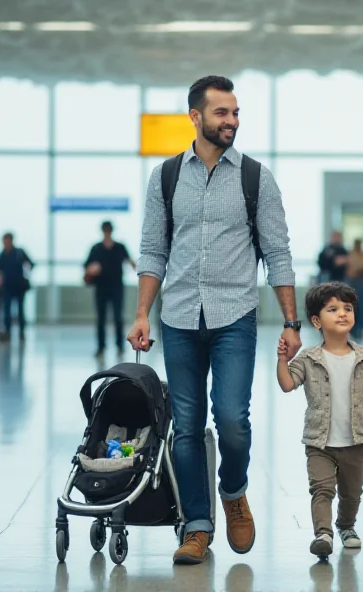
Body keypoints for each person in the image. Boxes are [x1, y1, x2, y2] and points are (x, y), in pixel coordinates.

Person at [127, 75, 300, 565]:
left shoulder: (255, 177)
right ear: (196, 117)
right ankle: (197, 526)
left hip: (234, 317)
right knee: (186, 426)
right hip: (179, 315)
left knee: (232, 422)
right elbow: (153, 250)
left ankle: (234, 490)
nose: (232, 121)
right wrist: (142, 312)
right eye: (222, 112)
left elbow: (277, 251)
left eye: (236, 112)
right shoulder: (165, 177)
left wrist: (291, 321)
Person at [276, 282, 363, 557]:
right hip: (319, 442)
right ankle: (323, 534)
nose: (342, 314)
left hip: (355, 441)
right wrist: (283, 359)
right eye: (333, 309)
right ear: (317, 321)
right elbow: (286, 384)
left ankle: (345, 526)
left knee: (351, 493)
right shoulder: (308, 359)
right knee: (322, 489)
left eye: (348, 308)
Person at [84, 221, 136, 359]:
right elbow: (87, 266)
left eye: (109, 230)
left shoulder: (120, 247)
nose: (107, 232)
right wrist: (92, 269)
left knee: (118, 316)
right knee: (101, 318)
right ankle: (101, 347)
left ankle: (120, 346)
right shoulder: (96, 248)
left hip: (116, 287)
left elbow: (130, 261)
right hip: (101, 288)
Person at [0, 233, 34, 342]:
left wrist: (27, 272)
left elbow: (31, 264)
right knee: (6, 310)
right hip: (7, 286)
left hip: (19, 286)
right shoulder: (2, 254)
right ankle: (7, 331)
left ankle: (21, 332)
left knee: (20, 310)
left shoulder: (19, 253)